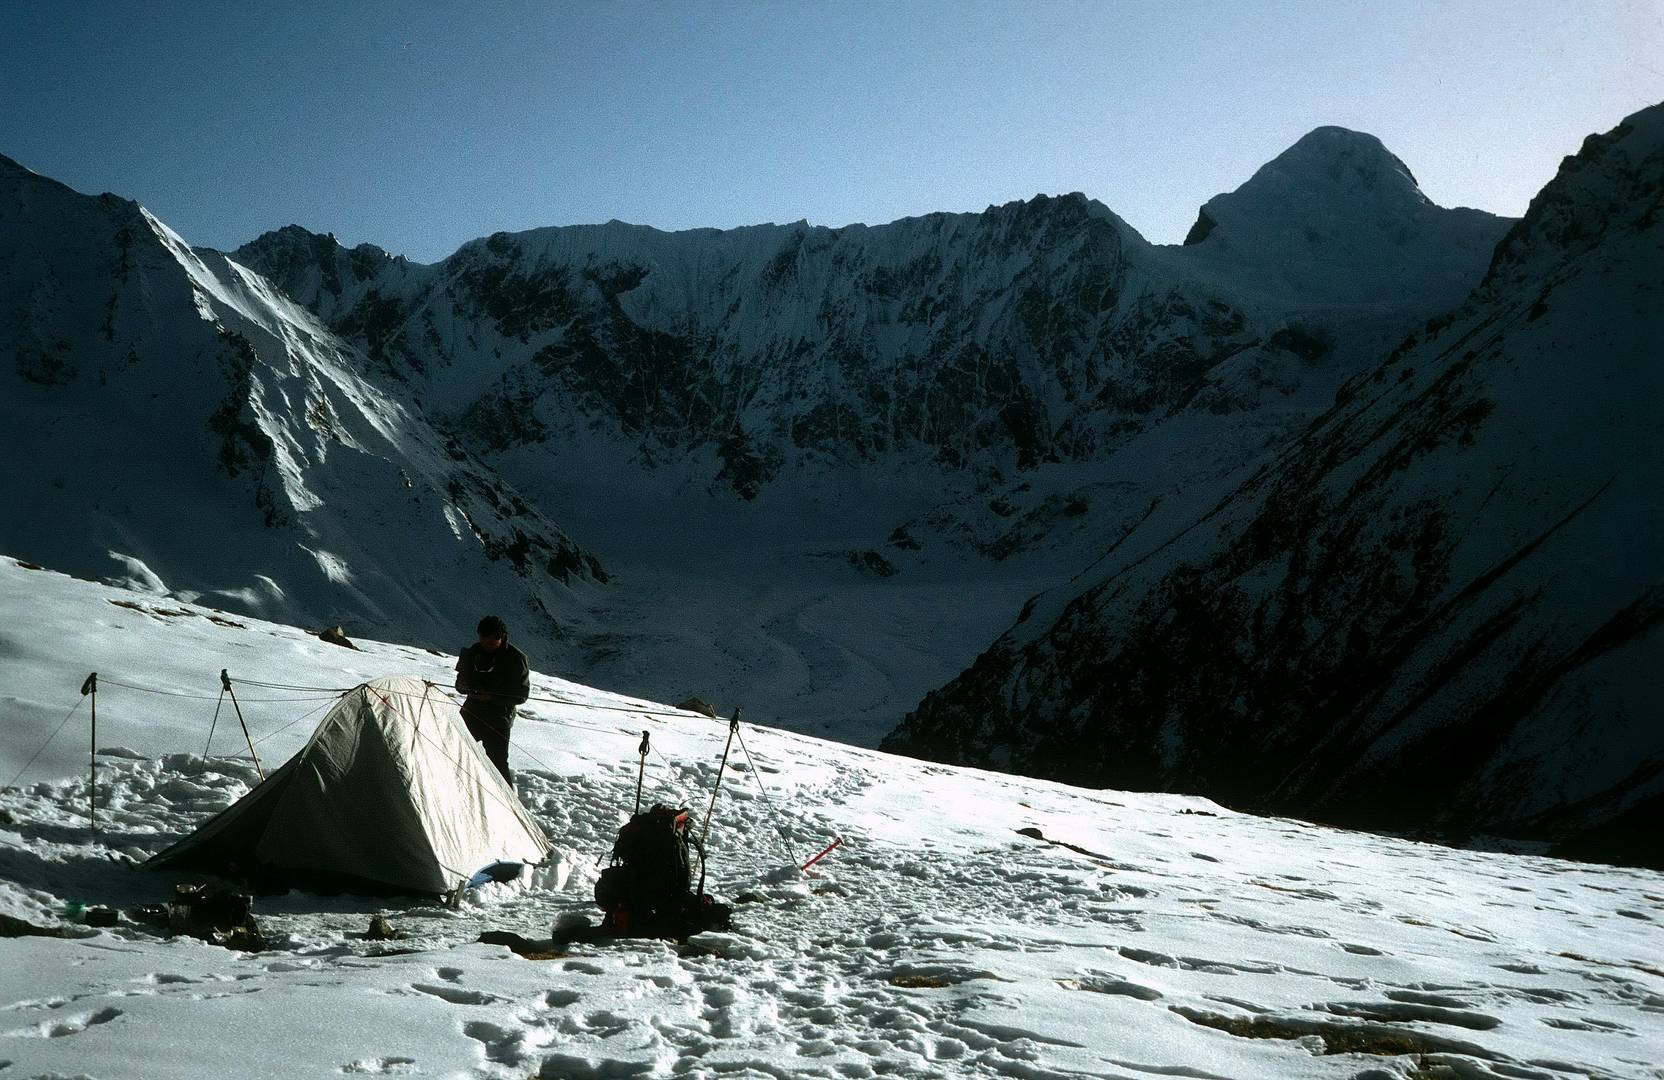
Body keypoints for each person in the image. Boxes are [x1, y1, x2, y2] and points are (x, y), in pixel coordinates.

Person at [454, 615, 530, 784]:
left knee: (497, 763)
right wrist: (463, 685)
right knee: (455, 750)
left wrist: (491, 696)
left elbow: (521, 694)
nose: (489, 640)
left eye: (494, 636)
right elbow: (459, 683)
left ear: (502, 637)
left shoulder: (516, 659)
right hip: (472, 711)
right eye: (484, 635)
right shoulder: (473, 652)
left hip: (499, 717)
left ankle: (509, 806)